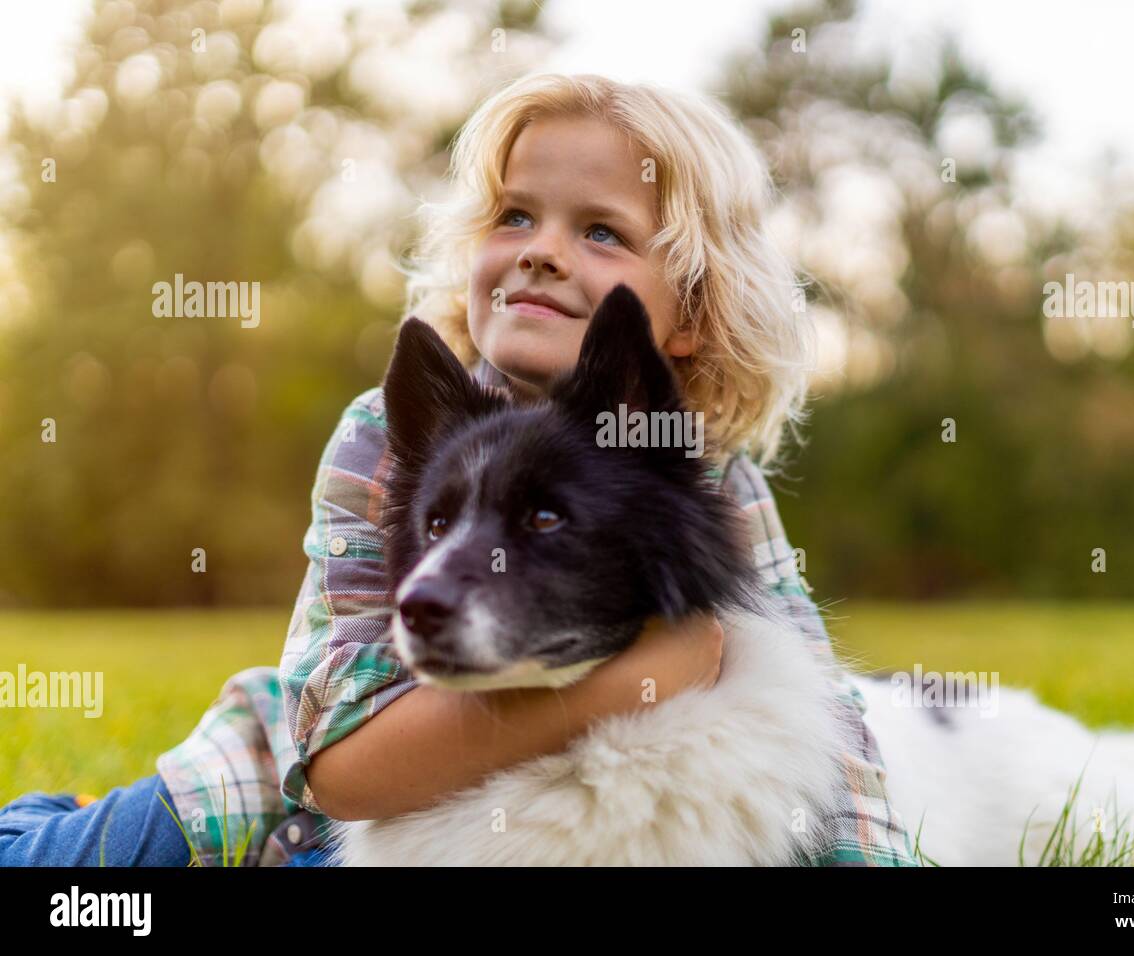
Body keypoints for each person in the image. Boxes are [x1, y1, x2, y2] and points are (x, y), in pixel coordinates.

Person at [0, 73, 919, 867]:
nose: (541, 249)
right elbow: (339, 772)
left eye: (601, 231)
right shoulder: (390, 436)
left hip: (498, 803)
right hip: (292, 789)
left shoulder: (699, 472)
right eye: (516, 214)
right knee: (99, 866)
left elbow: (829, 734)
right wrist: (656, 670)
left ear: (689, 315)